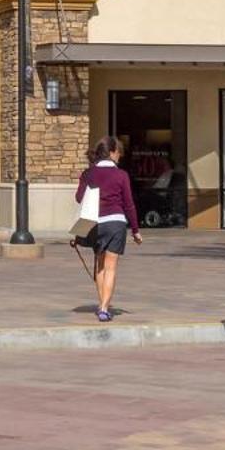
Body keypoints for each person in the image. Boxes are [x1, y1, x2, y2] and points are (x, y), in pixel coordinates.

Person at [74, 136, 140, 322]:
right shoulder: (121, 175)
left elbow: (79, 198)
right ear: (111, 152)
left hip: (95, 223)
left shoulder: (88, 174)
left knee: (100, 265)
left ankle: (101, 303)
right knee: (111, 267)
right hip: (116, 223)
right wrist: (135, 230)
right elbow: (129, 205)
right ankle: (104, 308)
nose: (119, 156)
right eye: (118, 152)